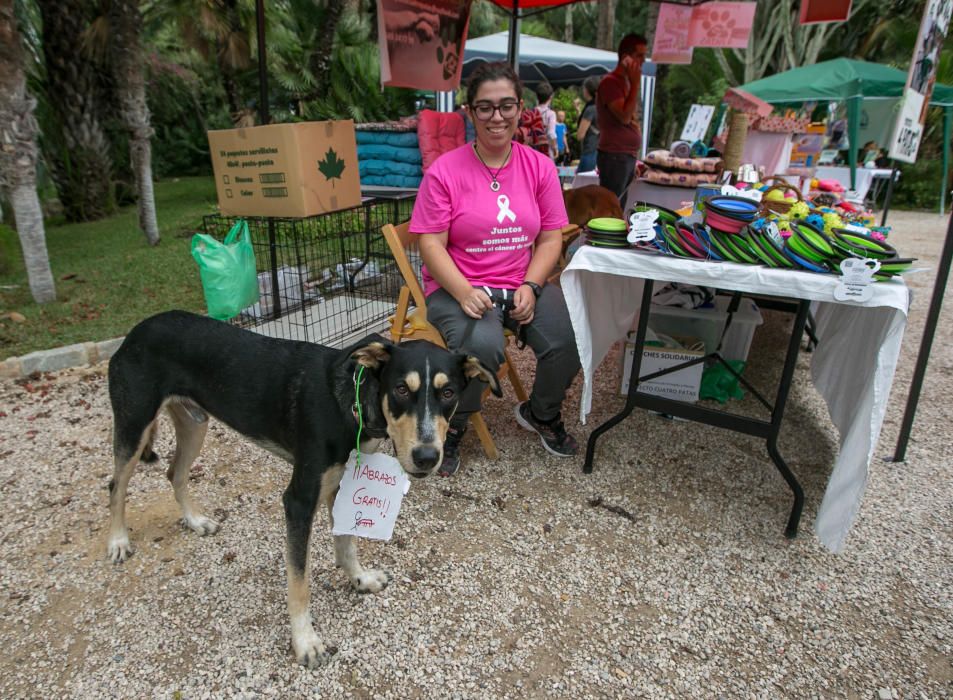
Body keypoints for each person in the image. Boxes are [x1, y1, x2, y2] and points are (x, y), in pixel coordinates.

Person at [408, 61, 582, 476]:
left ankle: (541, 412)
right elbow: (429, 242)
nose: (496, 116)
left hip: (518, 282)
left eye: (506, 106)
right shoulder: (444, 171)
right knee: (482, 347)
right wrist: (465, 291)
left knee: (571, 335)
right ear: (470, 112)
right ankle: (453, 426)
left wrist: (533, 285)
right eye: (484, 107)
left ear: (520, 109)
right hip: (459, 285)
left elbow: (551, 237)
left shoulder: (538, 167)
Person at [596, 34, 648, 209]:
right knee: (612, 208)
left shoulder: (623, 83)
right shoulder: (611, 83)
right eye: (639, 56)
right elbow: (624, 116)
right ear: (626, 57)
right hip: (615, 155)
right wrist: (635, 84)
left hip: (624, 155)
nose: (643, 61)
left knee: (618, 207)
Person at [576, 75, 601, 173]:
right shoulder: (601, 107)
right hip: (600, 152)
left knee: (582, 185)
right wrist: (578, 110)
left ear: (587, 90)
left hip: (589, 152)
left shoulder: (590, 109)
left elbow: (580, 135)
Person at [535, 82, 558, 159]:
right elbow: (551, 133)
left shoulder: (531, 112)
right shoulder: (551, 114)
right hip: (546, 150)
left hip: (533, 149)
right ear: (550, 97)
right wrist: (555, 148)